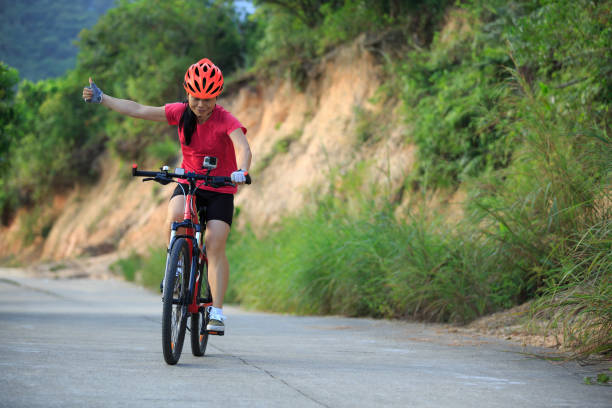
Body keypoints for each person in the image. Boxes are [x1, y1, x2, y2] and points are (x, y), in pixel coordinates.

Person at [82, 58, 252, 334]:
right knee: (175, 214)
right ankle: (176, 267)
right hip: (190, 180)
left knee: (215, 240)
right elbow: (138, 109)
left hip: (221, 187)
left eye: (208, 99)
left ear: (217, 96)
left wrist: (242, 171)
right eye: (196, 98)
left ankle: (217, 312)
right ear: (188, 94)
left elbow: (243, 147)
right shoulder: (180, 112)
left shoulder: (225, 120)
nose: (201, 105)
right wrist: (103, 98)